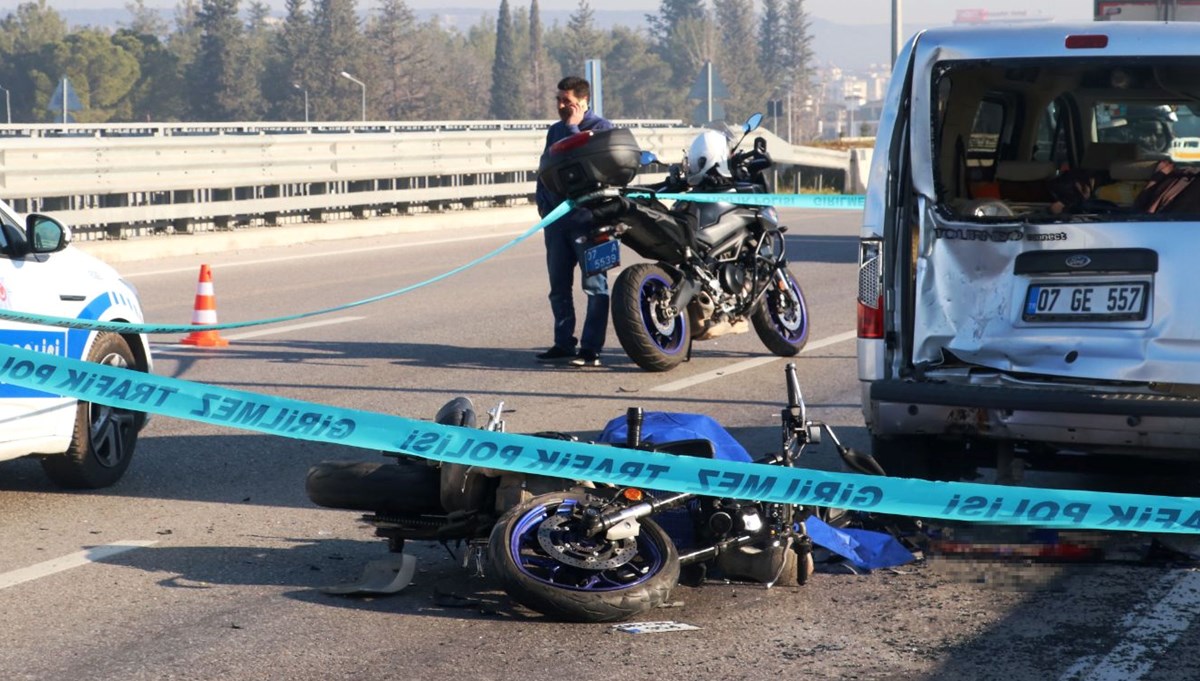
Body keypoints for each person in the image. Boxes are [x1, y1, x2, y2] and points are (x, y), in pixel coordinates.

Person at [534, 76, 613, 367]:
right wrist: (543, 206)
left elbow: (583, 164)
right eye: (558, 100)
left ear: (583, 101)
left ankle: (591, 349)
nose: (561, 106)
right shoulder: (554, 130)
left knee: (595, 286)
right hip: (558, 223)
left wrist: (572, 127)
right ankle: (563, 342)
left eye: (567, 101)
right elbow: (545, 170)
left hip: (591, 222)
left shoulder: (601, 129)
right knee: (558, 287)